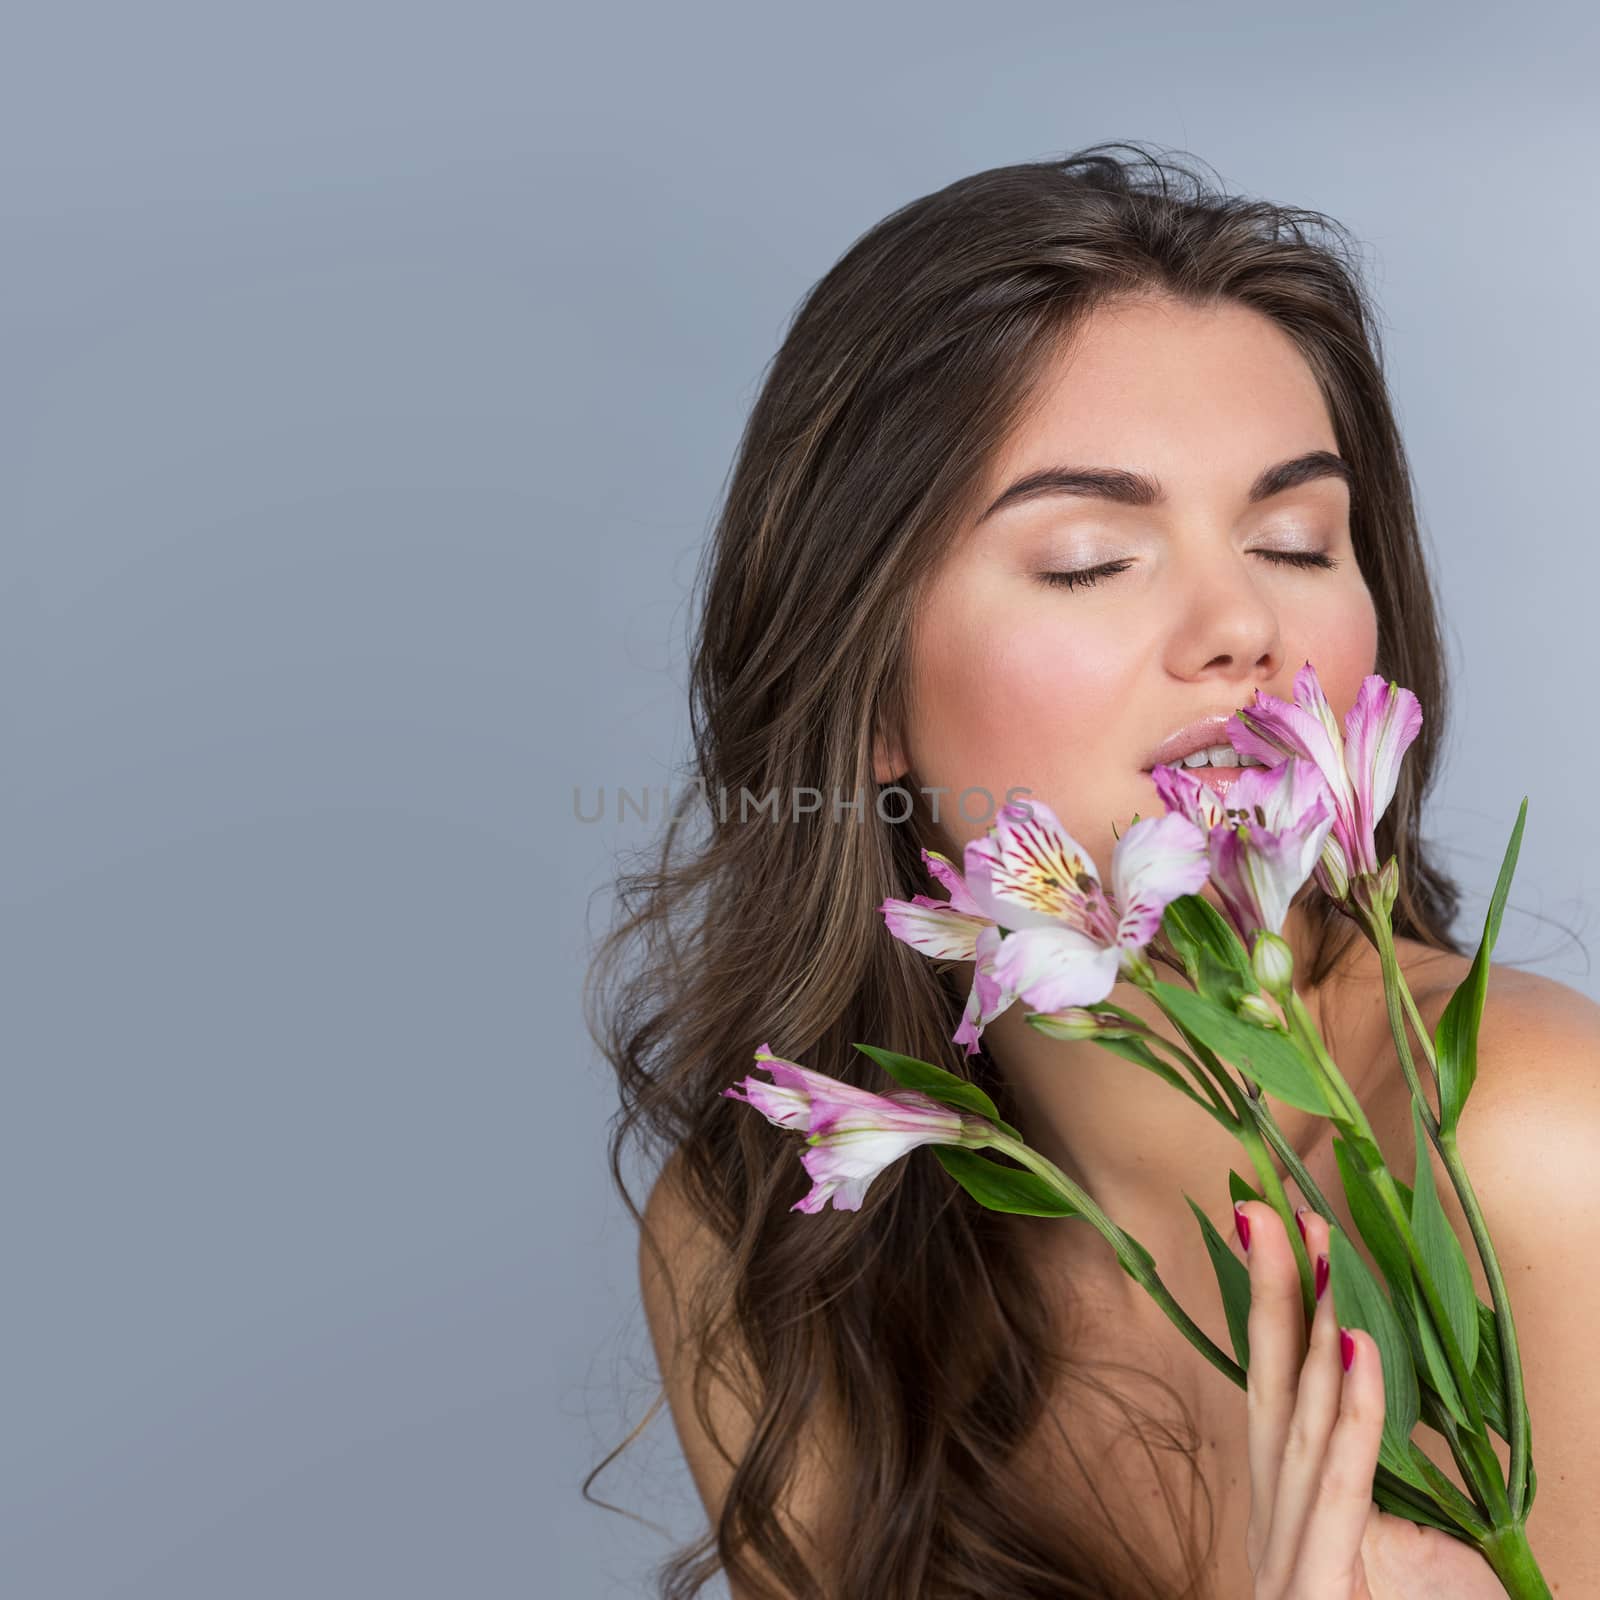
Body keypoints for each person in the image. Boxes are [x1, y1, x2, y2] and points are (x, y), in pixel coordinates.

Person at [583, 143, 1600, 1598]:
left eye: (1298, 540)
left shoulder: (1540, 1156)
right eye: (1086, 560)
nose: (1243, 622)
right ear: (865, 699)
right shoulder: (765, 1254)